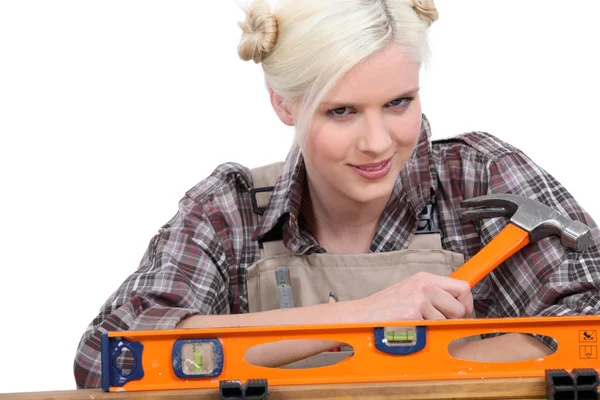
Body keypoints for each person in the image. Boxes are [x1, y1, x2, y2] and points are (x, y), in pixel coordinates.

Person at [74, 0, 600, 389]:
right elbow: (109, 359)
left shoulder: (478, 177)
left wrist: (419, 376)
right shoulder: (229, 212)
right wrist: (365, 317)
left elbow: (591, 325)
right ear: (284, 105)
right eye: (341, 111)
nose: (377, 143)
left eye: (398, 102)